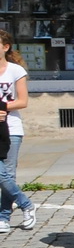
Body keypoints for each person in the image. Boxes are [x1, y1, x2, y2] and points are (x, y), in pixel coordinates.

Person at [0, 29, 36, 236]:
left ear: (6, 47)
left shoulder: (15, 71)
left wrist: (3, 108)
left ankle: (3, 217)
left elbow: (23, 101)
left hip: (11, 127)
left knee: (8, 173)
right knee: (1, 174)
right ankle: (26, 204)